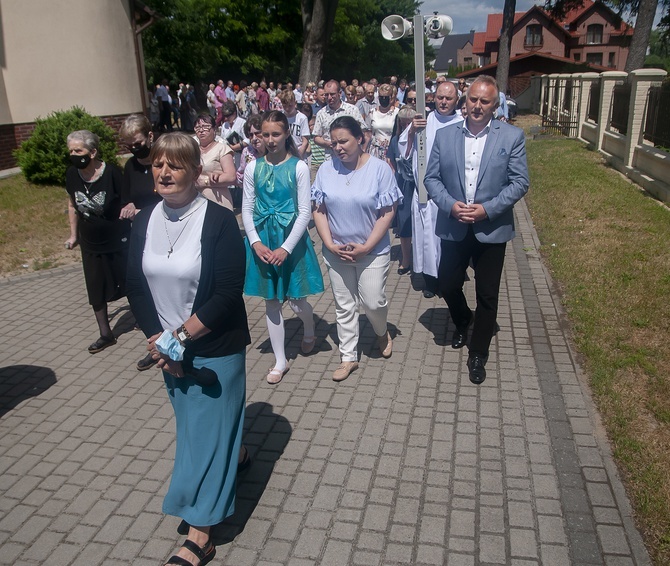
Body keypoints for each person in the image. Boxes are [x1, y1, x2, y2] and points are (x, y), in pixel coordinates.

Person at [126, 132, 250, 566]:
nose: (164, 172)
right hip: (165, 347)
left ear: (196, 172)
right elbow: (135, 285)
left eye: (175, 165)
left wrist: (178, 340)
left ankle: (201, 534)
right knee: (198, 427)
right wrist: (157, 340)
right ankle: (236, 452)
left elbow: (228, 293)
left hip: (213, 346)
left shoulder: (218, 222)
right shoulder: (144, 218)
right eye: (158, 164)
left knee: (199, 439)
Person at [424, 75, 529, 385]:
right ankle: (462, 318)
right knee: (447, 283)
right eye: (473, 99)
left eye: (485, 101)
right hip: (454, 223)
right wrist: (450, 205)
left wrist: (488, 209)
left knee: (487, 294)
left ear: (495, 106)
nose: (477, 106)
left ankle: (478, 352)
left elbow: (520, 182)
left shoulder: (512, 137)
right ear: (463, 101)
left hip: (491, 228)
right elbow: (431, 179)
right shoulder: (445, 136)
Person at [312, 116, 402, 382]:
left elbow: (387, 213)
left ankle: (380, 330)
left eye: (344, 141)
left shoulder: (379, 169)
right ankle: (348, 357)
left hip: (371, 251)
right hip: (336, 251)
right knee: (344, 305)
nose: (338, 147)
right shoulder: (327, 170)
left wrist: (366, 247)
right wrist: (328, 243)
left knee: (373, 301)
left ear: (360, 139)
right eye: (334, 142)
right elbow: (319, 209)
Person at [242, 111, 324, 384]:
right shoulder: (254, 167)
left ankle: (309, 326)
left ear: (287, 133)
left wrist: (287, 248)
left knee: (298, 301)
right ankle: (280, 359)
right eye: (264, 134)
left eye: (275, 134)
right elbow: (247, 208)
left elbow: (304, 212)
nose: (269, 139)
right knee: (272, 301)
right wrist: (255, 242)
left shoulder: (298, 167)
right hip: (264, 238)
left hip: (290, 239)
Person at [64, 130, 131, 354]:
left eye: (78, 150)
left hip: (118, 238)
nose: (74, 154)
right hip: (90, 241)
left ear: (92, 152)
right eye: (71, 151)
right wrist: (73, 235)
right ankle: (106, 334)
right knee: (95, 287)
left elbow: (127, 201)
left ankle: (145, 320)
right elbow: (73, 205)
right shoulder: (72, 175)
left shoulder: (112, 173)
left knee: (130, 281)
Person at [398, 80, 463, 298]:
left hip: (451, 194)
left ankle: (449, 280)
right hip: (425, 193)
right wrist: (411, 133)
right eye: (440, 97)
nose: (444, 102)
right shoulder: (422, 120)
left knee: (447, 242)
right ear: (433, 98)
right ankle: (430, 281)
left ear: (456, 100)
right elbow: (403, 150)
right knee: (426, 239)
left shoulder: (463, 122)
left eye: (449, 98)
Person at [118, 114, 164, 371]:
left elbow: (173, 195)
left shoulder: (163, 159)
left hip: (167, 231)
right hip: (142, 234)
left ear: (149, 136)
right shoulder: (130, 167)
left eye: (137, 142)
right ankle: (155, 344)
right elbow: (127, 198)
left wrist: (142, 209)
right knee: (147, 293)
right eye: (129, 146)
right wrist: (129, 208)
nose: (135, 149)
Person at [386, 106, 416, 275]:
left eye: (408, 124)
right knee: (404, 223)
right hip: (402, 184)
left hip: (419, 185)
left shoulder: (422, 138)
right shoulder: (395, 140)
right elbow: (391, 161)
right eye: (402, 124)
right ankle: (405, 259)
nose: (405, 127)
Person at [312, 79, 369, 158]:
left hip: (352, 158)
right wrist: (327, 143)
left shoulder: (352, 110)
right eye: (326, 95)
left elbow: (363, 131)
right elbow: (316, 137)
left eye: (332, 94)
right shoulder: (321, 113)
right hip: (331, 158)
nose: (329, 97)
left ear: (339, 93)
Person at [193, 113, 236, 210]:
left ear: (214, 129)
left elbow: (231, 176)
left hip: (218, 200)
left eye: (206, 127)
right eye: (198, 128)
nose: (201, 131)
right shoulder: (193, 151)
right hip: (196, 201)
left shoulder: (222, 148)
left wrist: (205, 181)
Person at [368, 83, 399, 160]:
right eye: (381, 97)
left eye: (386, 97)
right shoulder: (372, 112)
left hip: (391, 150)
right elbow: (367, 133)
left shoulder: (397, 113)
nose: (383, 99)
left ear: (391, 97)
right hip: (375, 151)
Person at [278, 89, 310, 159]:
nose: (287, 108)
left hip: (298, 152)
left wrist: (299, 154)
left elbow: (305, 141)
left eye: (290, 105)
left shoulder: (302, 118)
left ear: (295, 103)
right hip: (284, 153)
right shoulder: (280, 118)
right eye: (285, 106)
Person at [236, 114, 266, 186]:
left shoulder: (272, 151)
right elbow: (241, 172)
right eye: (251, 135)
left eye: (257, 133)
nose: (254, 138)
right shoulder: (247, 151)